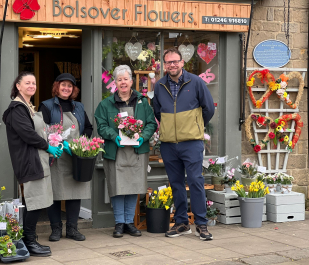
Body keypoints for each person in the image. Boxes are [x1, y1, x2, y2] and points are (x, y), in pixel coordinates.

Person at [153, 47, 215, 241]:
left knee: (196, 181)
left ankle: (201, 224)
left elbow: (209, 109)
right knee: (176, 184)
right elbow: (157, 112)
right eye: (168, 62)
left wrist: (194, 126)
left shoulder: (195, 82)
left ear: (182, 63)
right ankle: (181, 223)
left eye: (175, 61)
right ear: (165, 65)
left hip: (192, 142)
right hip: (169, 144)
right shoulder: (159, 85)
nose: (172, 65)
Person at [3, 72, 63, 256]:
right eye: (27, 83)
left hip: (38, 160)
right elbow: (28, 134)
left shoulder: (28, 106)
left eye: (34, 83)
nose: (31, 85)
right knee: (35, 202)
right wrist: (48, 147)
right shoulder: (16, 109)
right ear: (18, 86)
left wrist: (51, 144)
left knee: (37, 201)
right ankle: (29, 241)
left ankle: (30, 239)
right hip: (29, 162)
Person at [95, 65, 157, 238]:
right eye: (119, 79)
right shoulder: (105, 104)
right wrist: (114, 136)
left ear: (131, 81)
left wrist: (142, 137)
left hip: (137, 152)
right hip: (116, 151)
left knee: (133, 186)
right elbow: (101, 126)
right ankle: (119, 224)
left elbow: (151, 124)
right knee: (117, 187)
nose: (123, 82)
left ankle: (130, 223)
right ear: (115, 82)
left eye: (125, 79)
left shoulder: (142, 102)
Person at [39, 73, 93, 242]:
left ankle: (72, 229)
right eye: (63, 85)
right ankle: (56, 229)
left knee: (74, 193)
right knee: (54, 193)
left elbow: (89, 128)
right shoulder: (47, 106)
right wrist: (61, 144)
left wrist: (81, 143)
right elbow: (43, 130)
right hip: (56, 156)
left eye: (70, 86)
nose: (66, 89)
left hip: (75, 156)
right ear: (57, 86)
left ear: (73, 89)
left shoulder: (79, 107)